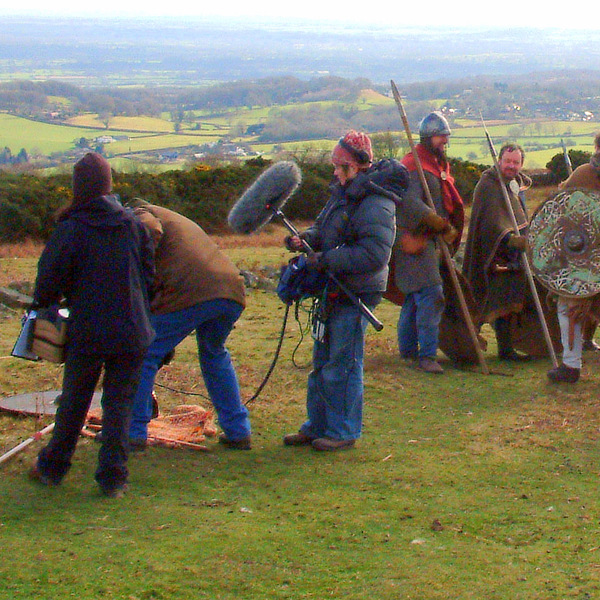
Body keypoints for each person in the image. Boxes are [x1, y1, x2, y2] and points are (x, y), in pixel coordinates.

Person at [29, 152, 155, 498]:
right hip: (132, 327)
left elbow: (47, 284)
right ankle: (113, 479)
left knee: (75, 400)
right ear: (108, 186)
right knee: (120, 405)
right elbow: (148, 277)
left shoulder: (71, 229)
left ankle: (53, 468)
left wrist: (51, 307)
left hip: (89, 328)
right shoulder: (132, 225)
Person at [282, 131, 396, 451]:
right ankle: (317, 426)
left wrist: (327, 259)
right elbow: (324, 229)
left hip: (356, 291)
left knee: (342, 364)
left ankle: (343, 431)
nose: (335, 171)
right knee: (322, 362)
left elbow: (375, 254)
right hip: (334, 287)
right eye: (334, 165)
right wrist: (305, 239)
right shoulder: (342, 193)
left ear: (359, 165)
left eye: (340, 165)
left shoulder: (376, 202)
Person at [125, 199, 252, 449]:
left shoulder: (138, 212)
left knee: (144, 354)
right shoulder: (172, 215)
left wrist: (141, 269)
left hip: (192, 290)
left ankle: (133, 433)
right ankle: (238, 431)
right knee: (214, 353)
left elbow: (151, 229)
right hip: (230, 291)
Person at [394, 111, 464, 374]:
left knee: (416, 295)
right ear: (426, 137)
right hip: (415, 237)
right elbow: (409, 201)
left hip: (429, 237)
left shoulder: (434, 163)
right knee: (431, 293)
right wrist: (434, 221)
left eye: (445, 136)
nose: (444, 141)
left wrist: (445, 226)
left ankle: (408, 350)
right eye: (439, 136)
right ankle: (426, 355)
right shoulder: (413, 164)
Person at [462, 143, 531, 361]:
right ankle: (467, 347)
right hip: (492, 255)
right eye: (508, 161)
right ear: (499, 160)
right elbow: (491, 224)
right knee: (493, 302)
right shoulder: (488, 184)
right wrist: (510, 239)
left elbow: (519, 217)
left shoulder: (515, 185)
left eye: (516, 162)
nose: (511, 166)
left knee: (510, 303)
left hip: (513, 257)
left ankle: (506, 349)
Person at [547, 132, 600, 382]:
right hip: (584, 259)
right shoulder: (582, 175)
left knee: (571, 306)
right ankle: (570, 366)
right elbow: (562, 213)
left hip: (589, 260)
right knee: (570, 305)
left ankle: (571, 365)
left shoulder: (582, 173)